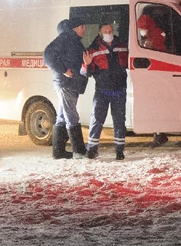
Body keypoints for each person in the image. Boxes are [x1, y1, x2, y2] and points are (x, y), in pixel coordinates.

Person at [43, 17, 89, 159]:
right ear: (74, 28)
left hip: (70, 83)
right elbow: (48, 55)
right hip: (65, 83)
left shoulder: (74, 41)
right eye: (82, 26)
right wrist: (63, 70)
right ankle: (79, 151)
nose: (84, 29)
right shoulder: (66, 38)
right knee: (71, 116)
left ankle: (58, 151)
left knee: (63, 117)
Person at [84, 23, 129, 160]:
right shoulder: (92, 50)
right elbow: (86, 73)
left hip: (119, 90)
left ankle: (119, 151)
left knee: (119, 121)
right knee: (97, 120)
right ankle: (91, 150)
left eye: (110, 30)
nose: (109, 33)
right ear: (100, 33)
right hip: (102, 91)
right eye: (105, 31)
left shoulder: (122, 46)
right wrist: (87, 64)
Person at [135, 10, 169, 148]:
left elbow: (159, 52)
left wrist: (150, 46)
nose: (141, 31)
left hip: (157, 74)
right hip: (154, 74)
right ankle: (158, 134)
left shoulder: (156, 35)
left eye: (142, 28)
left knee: (156, 105)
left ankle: (159, 135)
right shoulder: (153, 34)